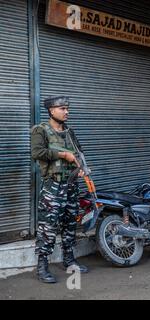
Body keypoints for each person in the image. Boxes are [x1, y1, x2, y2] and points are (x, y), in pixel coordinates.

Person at [31, 96, 89, 283]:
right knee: (48, 226)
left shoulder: (69, 132)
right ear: (51, 111)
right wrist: (63, 155)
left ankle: (69, 259)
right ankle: (42, 267)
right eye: (62, 108)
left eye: (67, 108)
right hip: (53, 187)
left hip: (71, 185)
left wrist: (81, 168)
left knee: (70, 223)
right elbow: (37, 153)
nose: (67, 112)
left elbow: (79, 152)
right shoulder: (40, 130)